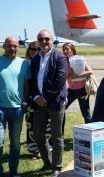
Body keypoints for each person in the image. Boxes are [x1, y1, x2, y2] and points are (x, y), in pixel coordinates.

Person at [30, 30, 68, 177]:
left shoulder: (60, 57)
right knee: (38, 134)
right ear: (38, 41)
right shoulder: (34, 59)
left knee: (56, 135)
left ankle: (57, 166)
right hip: (38, 103)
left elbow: (59, 81)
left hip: (55, 102)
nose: (44, 41)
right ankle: (47, 161)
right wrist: (36, 97)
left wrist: (45, 98)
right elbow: (32, 80)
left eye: (47, 38)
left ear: (52, 40)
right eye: (41, 39)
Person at [0, 37, 31, 177]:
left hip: (18, 109)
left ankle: (14, 171)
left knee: (15, 142)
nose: (12, 48)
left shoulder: (24, 63)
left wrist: (25, 102)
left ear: (18, 47)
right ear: (4, 46)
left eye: (14, 46)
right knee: (0, 142)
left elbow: (26, 85)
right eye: (9, 46)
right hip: (0, 108)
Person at [24, 41, 52, 160]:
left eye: (35, 49)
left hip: (44, 99)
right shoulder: (25, 64)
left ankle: (47, 149)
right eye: (30, 48)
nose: (32, 51)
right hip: (30, 99)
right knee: (31, 126)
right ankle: (33, 150)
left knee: (47, 126)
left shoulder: (42, 62)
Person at [63, 42, 93, 124]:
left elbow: (90, 71)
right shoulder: (64, 62)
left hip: (81, 90)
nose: (65, 51)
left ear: (72, 49)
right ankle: (60, 133)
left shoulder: (79, 59)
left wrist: (76, 76)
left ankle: (90, 133)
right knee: (61, 109)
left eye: (67, 49)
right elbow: (64, 78)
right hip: (71, 90)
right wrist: (68, 72)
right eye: (64, 50)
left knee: (85, 113)